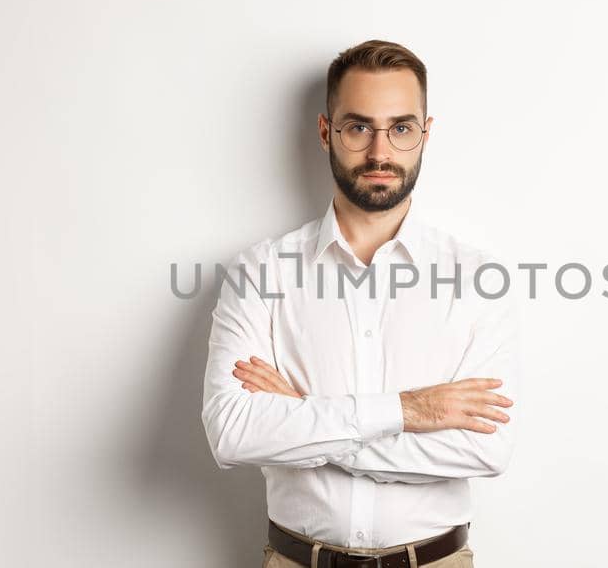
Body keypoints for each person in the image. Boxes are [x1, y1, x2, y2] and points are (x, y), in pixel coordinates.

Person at [200, 39, 521, 568]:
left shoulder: (478, 278)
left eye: (400, 128)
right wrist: (409, 412)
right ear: (327, 131)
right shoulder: (260, 272)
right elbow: (234, 434)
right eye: (358, 127)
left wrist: (304, 419)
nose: (379, 152)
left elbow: (486, 449)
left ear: (425, 134)